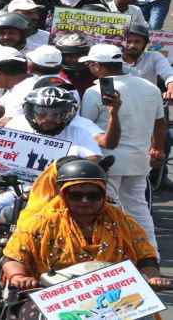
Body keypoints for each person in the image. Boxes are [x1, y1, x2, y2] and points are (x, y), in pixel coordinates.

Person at [0, 86, 102, 256]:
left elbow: (94, 159)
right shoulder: (17, 124)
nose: (49, 119)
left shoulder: (80, 132)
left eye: (57, 114)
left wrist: (73, 167)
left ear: (68, 114)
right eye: (42, 113)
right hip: (20, 191)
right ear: (30, 112)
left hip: (62, 197)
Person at [2, 158, 167, 290]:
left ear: (104, 195)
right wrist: (19, 277)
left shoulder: (124, 223)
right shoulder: (40, 223)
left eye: (93, 195)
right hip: (51, 297)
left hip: (114, 297)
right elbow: (12, 258)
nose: (85, 201)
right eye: (76, 195)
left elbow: (146, 258)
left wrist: (152, 277)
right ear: (64, 195)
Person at [78, 43, 165, 249]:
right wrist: (157, 149)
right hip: (139, 161)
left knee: (108, 212)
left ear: (98, 66)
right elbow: (160, 122)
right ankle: (150, 256)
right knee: (139, 210)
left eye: (90, 64)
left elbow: (84, 127)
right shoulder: (150, 87)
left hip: (107, 162)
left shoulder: (94, 92)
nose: (89, 68)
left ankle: (116, 259)